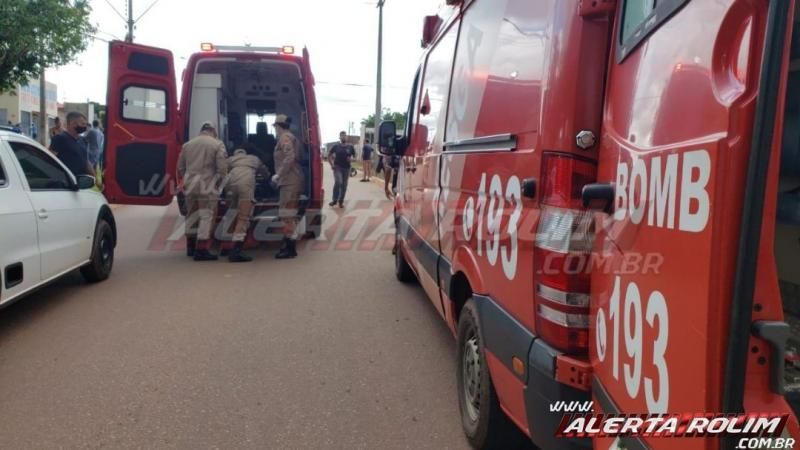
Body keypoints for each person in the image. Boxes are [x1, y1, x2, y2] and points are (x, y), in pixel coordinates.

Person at [178, 121, 228, 261]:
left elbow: (180, 167)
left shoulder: (187, 145)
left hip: (190, 184)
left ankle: (190, 247)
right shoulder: (217, 144)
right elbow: (222, 168)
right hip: (207, 184)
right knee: (206, 215)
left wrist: (186, 179)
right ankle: (202, 250)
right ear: (213, 131)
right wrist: (219, 184)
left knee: (191, 214)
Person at [224, 143, 268, 263]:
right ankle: (236, 250)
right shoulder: (254, 159)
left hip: (230, 187)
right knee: (243, 218)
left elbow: (221, 172)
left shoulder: (230, 160)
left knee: (232, 214)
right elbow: (265, 173)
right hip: (246, 186)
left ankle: (226, 245)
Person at [272, 114, 305, 259]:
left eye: (275, 127)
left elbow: (289, 157)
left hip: (289, 180)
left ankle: (290, 249)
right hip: (293, 179)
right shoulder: (291, 137)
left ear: (278, 126)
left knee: (287, 215)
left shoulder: (284, 138)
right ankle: (288, 245)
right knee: (289, 215)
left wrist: (278, 174)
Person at [50, 112, 94, 177]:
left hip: (82, 181)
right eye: (82, 124)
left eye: (85, 124)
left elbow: (86, 162)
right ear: (72, 123)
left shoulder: (83, 140)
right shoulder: (60, 138)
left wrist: (95, 178)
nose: (85, 126)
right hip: (66, 181)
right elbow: (50, 159)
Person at [328, 131, 355, 207]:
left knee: (344, 185)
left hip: (347, 168)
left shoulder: (350, 147)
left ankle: (341, 202)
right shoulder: (336, 146)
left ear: (347, 137)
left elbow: (354, 156)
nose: (343, 137)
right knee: (338, 182)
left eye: (344, 135)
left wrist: (351, 159)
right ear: (340, 137)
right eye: (342, 136)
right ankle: (334, 200)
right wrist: (331, 164)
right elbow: (329, 155)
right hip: (337, 167)